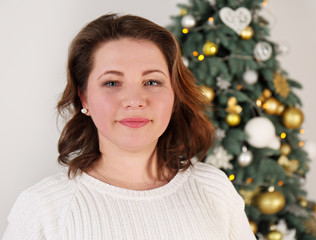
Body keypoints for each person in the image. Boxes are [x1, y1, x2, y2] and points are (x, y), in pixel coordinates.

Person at [2, 14, 256, 239]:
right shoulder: (42, 208)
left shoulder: (213, 190)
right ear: (85, 98)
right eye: (112, 83)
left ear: (174, 94)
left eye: (152, 82)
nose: (135, 101)